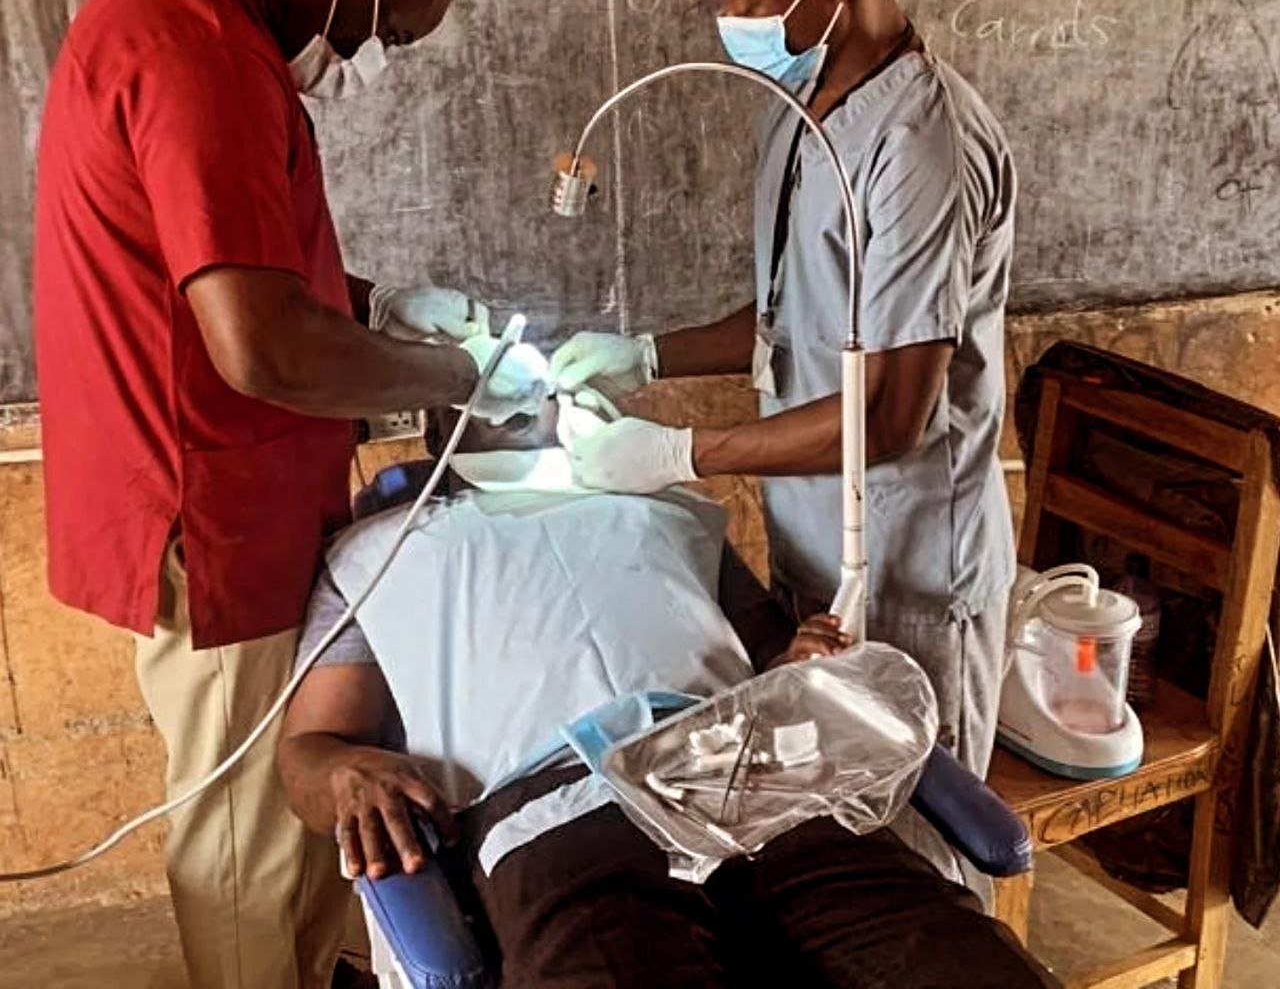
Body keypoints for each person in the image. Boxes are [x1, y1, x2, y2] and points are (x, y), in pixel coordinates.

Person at [33, 0, 541, 989]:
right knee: (247, 842)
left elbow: (249, 266)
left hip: (238, 493)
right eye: (381, 35)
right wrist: (444, 373)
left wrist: (378, 306)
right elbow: (258, 344)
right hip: (214, 508)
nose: (356, 60)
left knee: (290, 793)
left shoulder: (184, 17)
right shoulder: (197, 51)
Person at [276, 403, 1058, 989]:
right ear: (445, 415)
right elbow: (308, 751)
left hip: (763, 780)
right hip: (560, 824)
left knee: (951, 962)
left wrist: (800, 659)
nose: (517, 397)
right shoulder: (382, 550)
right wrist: (342, 773)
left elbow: (768, 655)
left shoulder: (667, 511)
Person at [549, 0, 1018, 777]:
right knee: (830, 802)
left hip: (912, 558)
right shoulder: (801, 107)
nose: (728, 20)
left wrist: (682, 455)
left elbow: (888, 414)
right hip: (815, 533)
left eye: (745, 0)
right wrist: (642, 355)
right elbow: (788, 317)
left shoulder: (921, 146)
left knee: (923, 837)